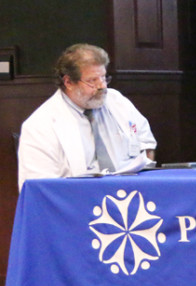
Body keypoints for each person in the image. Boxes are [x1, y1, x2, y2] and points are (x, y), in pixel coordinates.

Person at [18, 43, 156, 190]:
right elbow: (38, 189)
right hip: (75, 205)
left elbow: (147, 146)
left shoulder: (118, 102)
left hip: (129, 195)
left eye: (103, 78)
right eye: (92, 81)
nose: (102, 86)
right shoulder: (40, 126)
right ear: (69, 82)